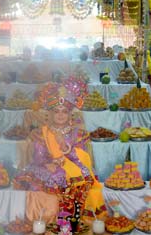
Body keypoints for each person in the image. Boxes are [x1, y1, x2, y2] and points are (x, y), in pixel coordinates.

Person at [19, 78, 104, 223]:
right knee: (52, 176)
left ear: (70, 114)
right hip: (49, 168)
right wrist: (48, 163)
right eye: (56, 111)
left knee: (79, 177)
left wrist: (65, 149)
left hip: (73, 167)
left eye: (64, 112)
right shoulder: (42, 133)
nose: (60, 115)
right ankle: (50, 218)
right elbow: (39, 156)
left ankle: (72, 217)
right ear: (50, 114)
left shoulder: (78, 134)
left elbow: (82, 157)